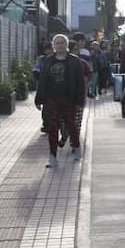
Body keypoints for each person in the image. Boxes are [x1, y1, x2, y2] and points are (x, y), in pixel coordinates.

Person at [34, 34, 86, 168]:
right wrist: (39, 99)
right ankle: (52, 157)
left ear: (66, 45)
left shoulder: (74, 61)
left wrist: (80, 100)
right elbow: (43, 80)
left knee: (71, 125)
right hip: (52, 100)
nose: (60, 45)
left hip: (69, 99)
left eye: (62, 42)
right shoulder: (48, 61)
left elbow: (80, 82)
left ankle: (77, 147)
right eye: (57, 43)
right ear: (53, 46)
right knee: (53, 128)